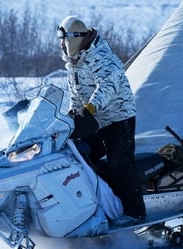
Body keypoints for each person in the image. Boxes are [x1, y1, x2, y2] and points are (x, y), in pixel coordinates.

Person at [57, 15, 146, 223]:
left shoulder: (99, 56)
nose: (61, 44)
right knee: (80, 157)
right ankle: (101, 204)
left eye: (64, 39)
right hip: (96, 119)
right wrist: (72, 117)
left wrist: (91, 108)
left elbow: (108, 84)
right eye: (59, 39)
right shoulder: (75, 62)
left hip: (117, 118)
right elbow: (76, 94)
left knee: (119, 165)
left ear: (76, 38)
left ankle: (135, 213)